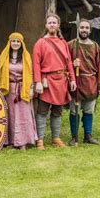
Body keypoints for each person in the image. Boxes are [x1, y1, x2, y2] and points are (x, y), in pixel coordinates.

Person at [32, 13, 76, 150]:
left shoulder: (63, 43)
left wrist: (73, 79)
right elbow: (36, 64)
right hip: (47, 81)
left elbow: (68, 63)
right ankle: (39, 139)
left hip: (62, 81)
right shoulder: (40, 43)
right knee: (42, 111)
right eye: (49, 22)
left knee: (57, 110)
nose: (52, 25)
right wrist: (38, 81)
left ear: (58, 25)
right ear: (46, 25)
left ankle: (55, 138)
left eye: (54, 22)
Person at [68, 18, 100, 146]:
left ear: (90, 30)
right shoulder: (71, 44)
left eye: (86, 28)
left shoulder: (95, 46)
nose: (84, 30)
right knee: (74, 111)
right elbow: (64, 63)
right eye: (82, 27)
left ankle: (88, 135)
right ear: (78, 29)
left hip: (91, 82)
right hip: (76, 81)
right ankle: (74, 136)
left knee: (89, 110)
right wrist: (73, 64)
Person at [0, 32, 37, 150]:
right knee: (9, 115)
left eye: (18, 41)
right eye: (13, 41)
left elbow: (31, 73)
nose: (15, 43)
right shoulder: (4, 56)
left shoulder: (26, 56)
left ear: (21, 43)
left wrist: (31, 89)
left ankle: (23, 141)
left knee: (23, 115)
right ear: (9, 42)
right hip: (8, 90)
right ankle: (8, 141)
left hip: (22, 89)